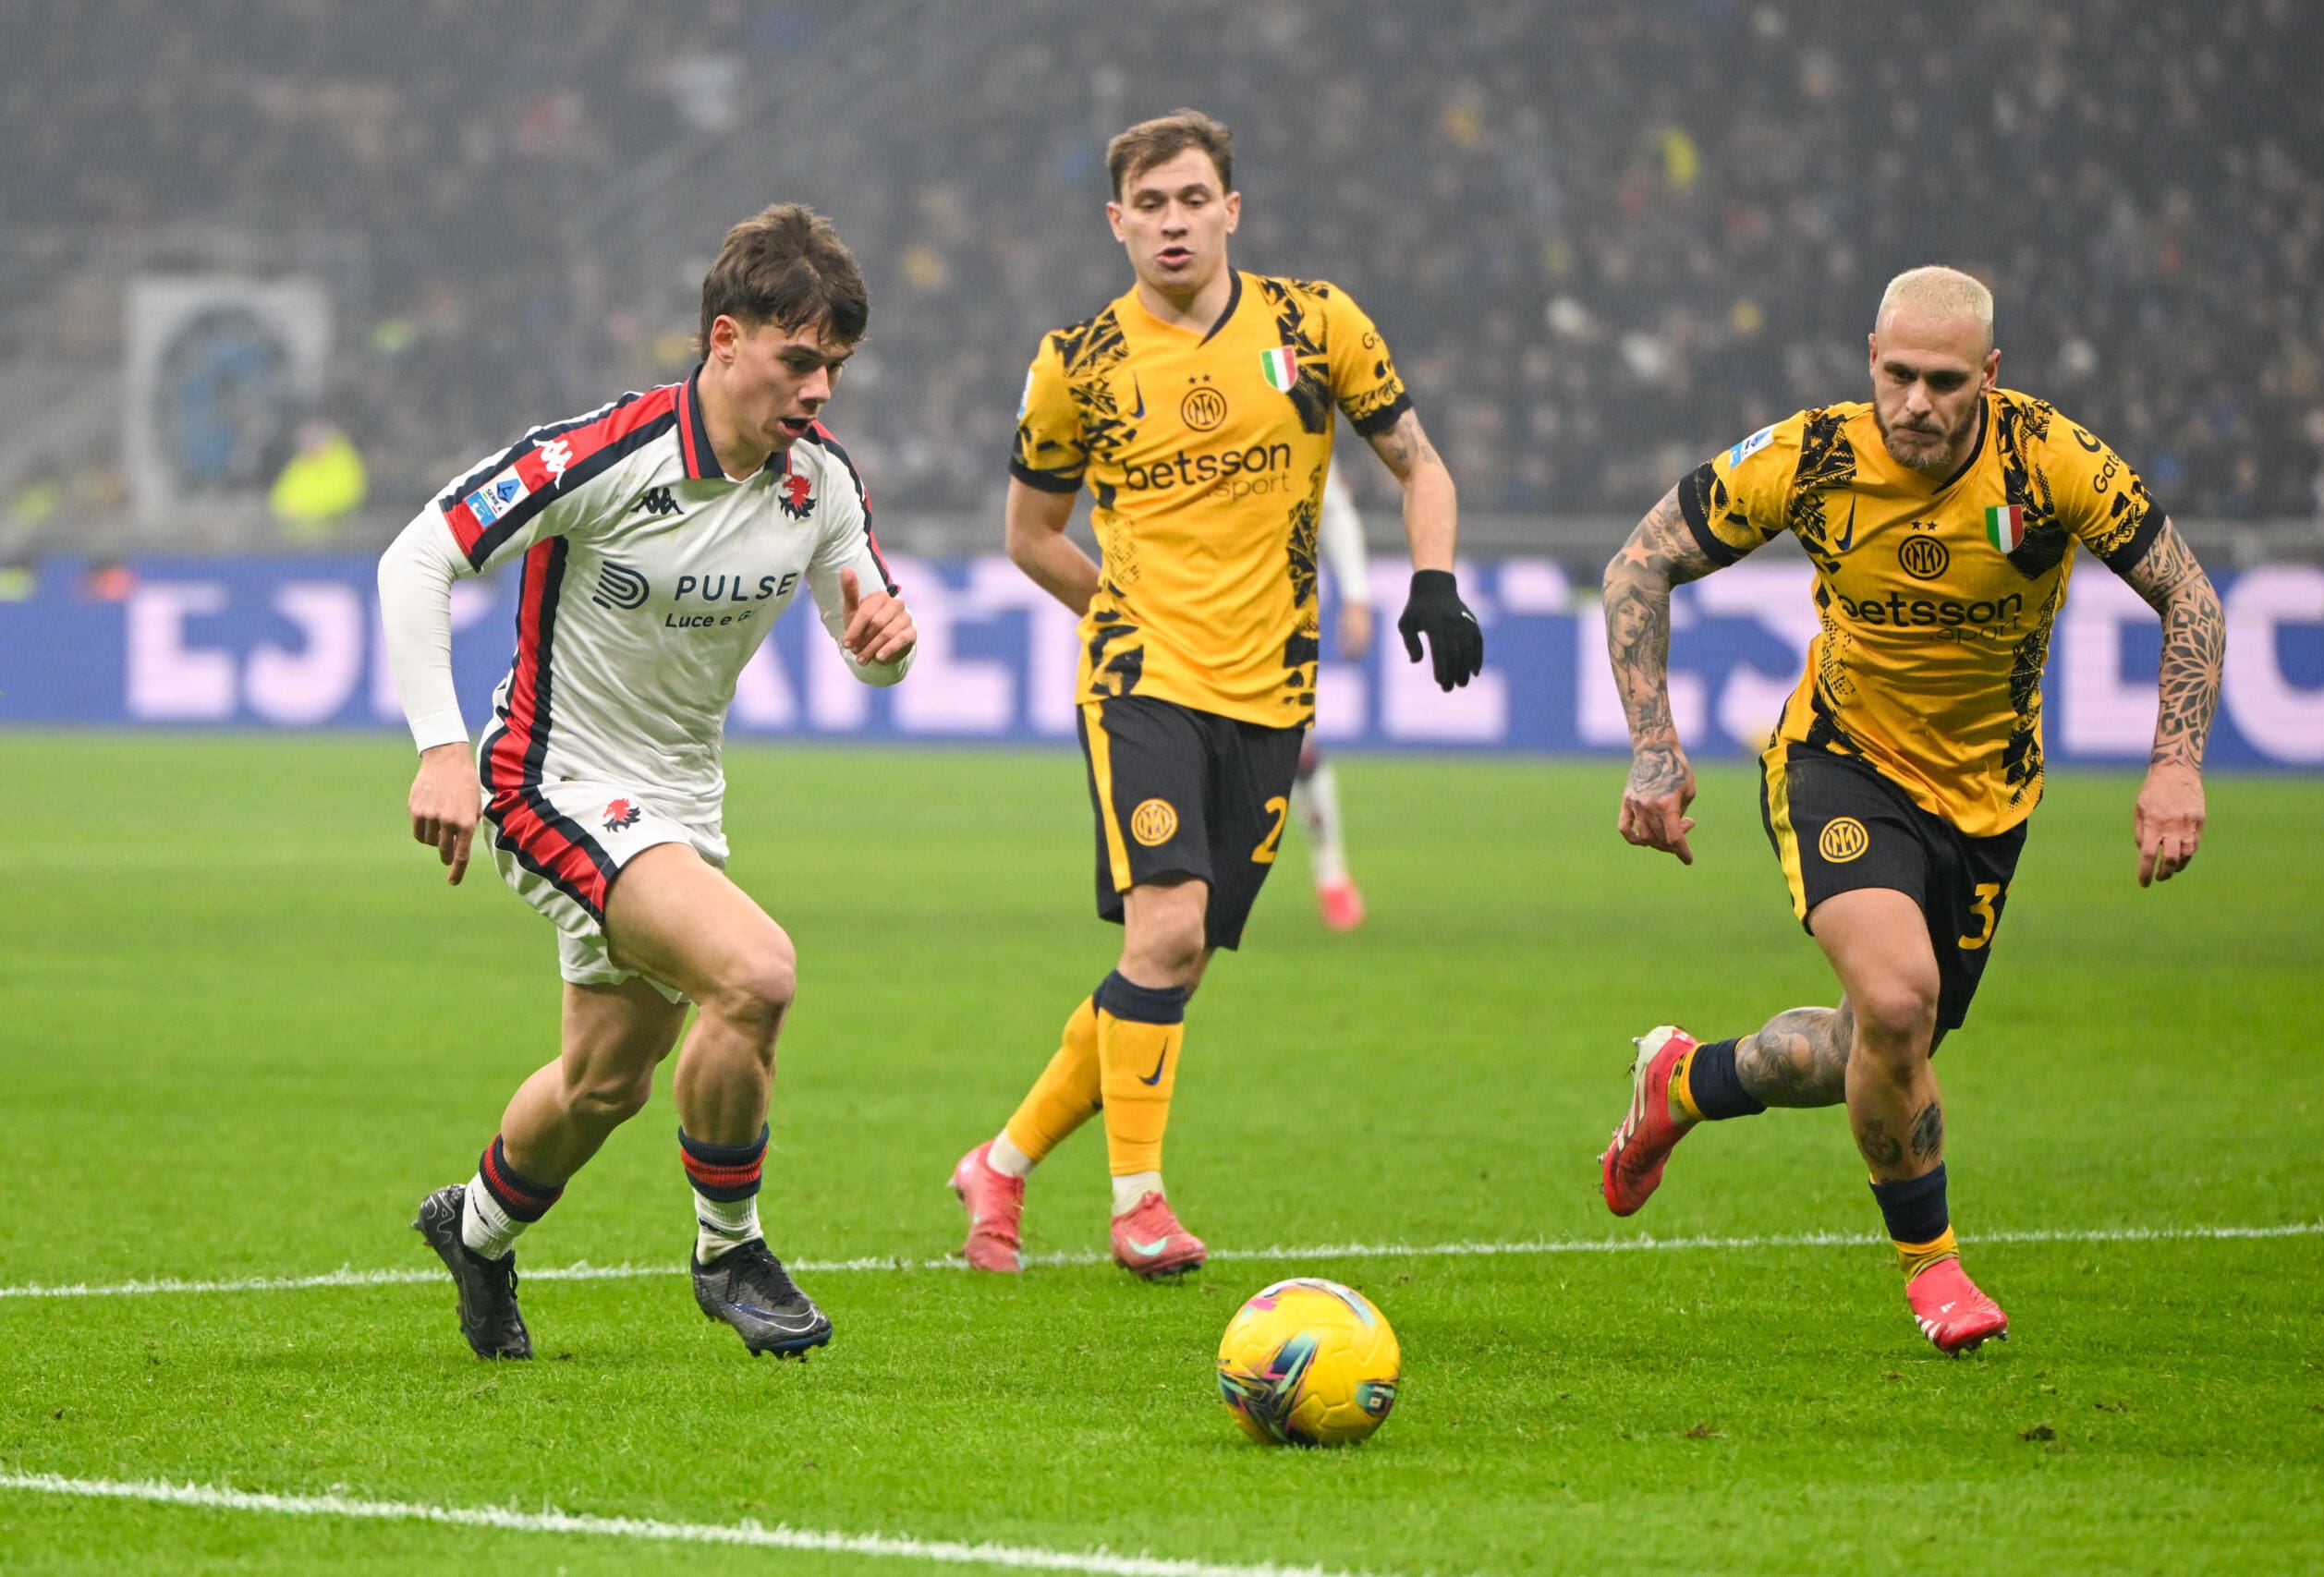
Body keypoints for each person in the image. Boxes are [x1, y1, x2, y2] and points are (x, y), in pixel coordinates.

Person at [1597, 266, 2223, 1353]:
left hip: (1986, 802)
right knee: (1895, 1006)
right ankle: (1933, 1270)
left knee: (1877, 1043)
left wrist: (2175, 763)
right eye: (1897, 375)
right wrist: (1654, 751)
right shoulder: (1812, 457)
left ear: (1989, 374)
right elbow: (1637, 566)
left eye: (1943, 381)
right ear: (1869, 361)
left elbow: (2189, 595)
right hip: (1838, 761)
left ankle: (1684, 1082)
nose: (1916, 403)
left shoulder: (2048, 461)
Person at [378, 203, 917, 1361]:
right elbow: (419, 555)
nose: (820, 390)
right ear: (725, 339)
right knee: (755, 975)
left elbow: (869, 645)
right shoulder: (604, 455)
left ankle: (474, 1232)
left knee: (605, 1083)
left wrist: (887, 646)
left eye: (835, 366)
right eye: (799, 360)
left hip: (677, 801)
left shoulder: (821, 485)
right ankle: (731, 1252)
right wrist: (438, 747)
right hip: (551, 779)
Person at [951, 109, 1482, 1279]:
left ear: (1231, 209)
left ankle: (999, 1161)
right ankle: (1137, 1204)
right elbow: (1030, 535)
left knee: (1171, 962)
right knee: (1168, 927)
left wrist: (1434, 581)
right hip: (1141, 679)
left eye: (1193, 199)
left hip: (1271, 692)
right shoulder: (1077, 363)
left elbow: (1419, 464)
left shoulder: (1315, 324)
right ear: (1116, 223)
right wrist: (1121, 614)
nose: (1173, 223)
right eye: (1150, 205)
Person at [1298, 473, 1375, 930]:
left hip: (1271, 611)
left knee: (1297, 749)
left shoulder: (1292, 427)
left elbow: (1333, 508)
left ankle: (1331, 876)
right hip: (1185, 606)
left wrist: (1356, 596)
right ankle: (1207, 885)